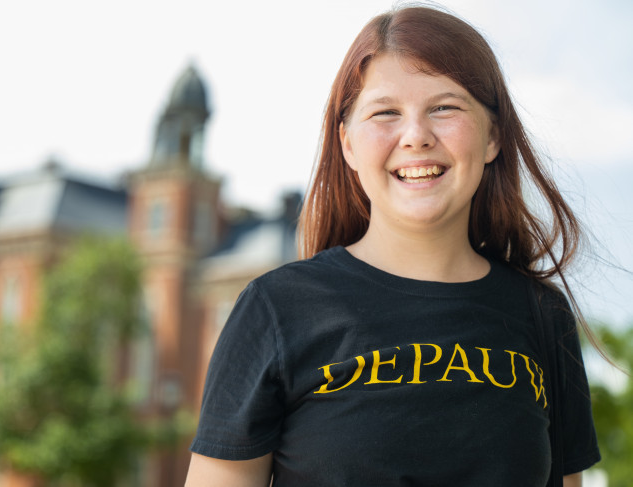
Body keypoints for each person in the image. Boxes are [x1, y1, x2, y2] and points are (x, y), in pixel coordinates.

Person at [185, 6, 600, 487]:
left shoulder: (543, 316)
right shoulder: (275, 310)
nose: (416, 136)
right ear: (348, 145)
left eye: (445, 108)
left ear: (493, 137)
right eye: (385, 113)